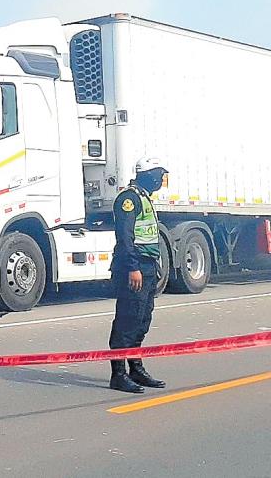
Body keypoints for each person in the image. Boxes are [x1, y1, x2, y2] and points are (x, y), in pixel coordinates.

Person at [108, 157, 169, 393]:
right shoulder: (129, 199)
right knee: (127, 319)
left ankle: (136, 368)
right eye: (158, 175)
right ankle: (118, 374)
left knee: (142, 319)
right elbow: (126, 237)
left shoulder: (144, 197)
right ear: (148, 175)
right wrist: (133, 268)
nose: (160, 180)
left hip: (148, 266)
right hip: (133, 267)